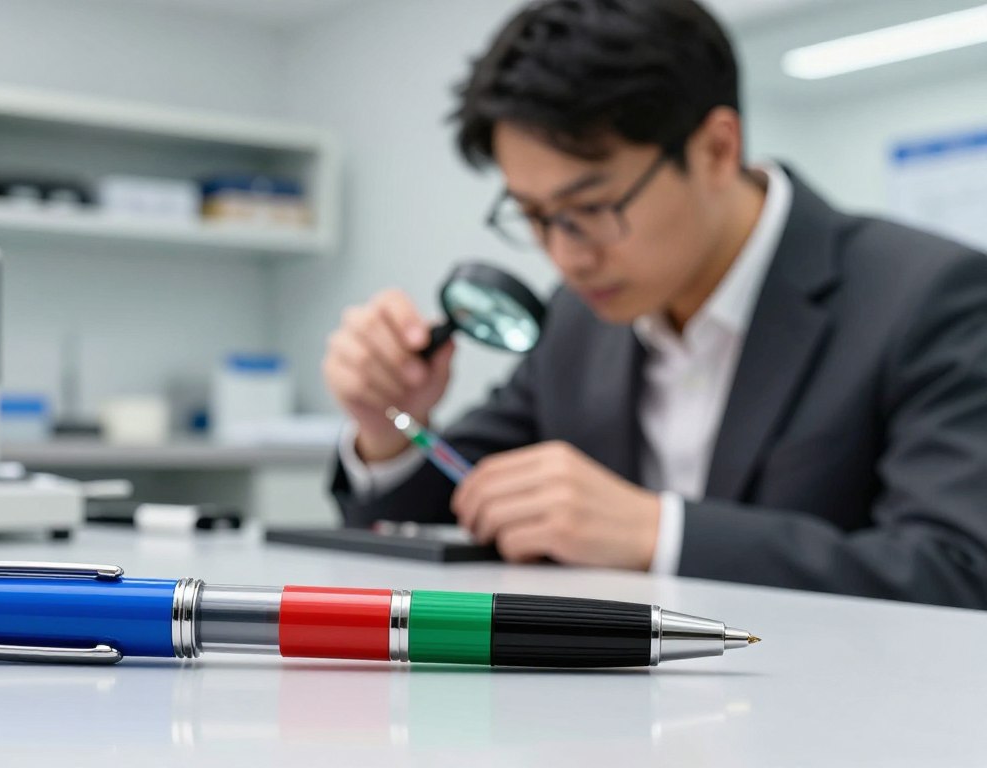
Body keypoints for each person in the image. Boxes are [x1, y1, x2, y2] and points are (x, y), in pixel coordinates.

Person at [323, 0, 987, 609]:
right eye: (534, 216)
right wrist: (388, 430)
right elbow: (450, 498)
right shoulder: (579, 318)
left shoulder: (929, 295)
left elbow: (957, 569)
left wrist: (657, 533)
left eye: (590, 209)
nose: (565, 255)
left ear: (717, 149)